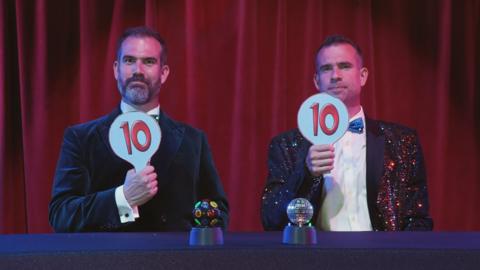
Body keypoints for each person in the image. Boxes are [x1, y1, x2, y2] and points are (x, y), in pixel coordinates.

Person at [49, 26, 228, 232]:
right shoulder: (80, 139)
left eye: (149, 62)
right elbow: (61, 214)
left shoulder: (194, 141)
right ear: (116, 69)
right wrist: (123, 198)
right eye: (129, 60)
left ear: (164, 73)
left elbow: (218, 212)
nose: (138, 71)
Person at [261, 35, 433, 231]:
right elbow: (271, 220)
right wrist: (306, 173)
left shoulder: (402, 141)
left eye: (344, 66)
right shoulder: (286, 145)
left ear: (363, 76)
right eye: (326, 68)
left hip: (384, 257)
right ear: (317, 81)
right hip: (317, 258)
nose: (335, 75)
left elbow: (418, 219)